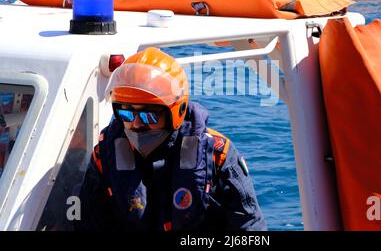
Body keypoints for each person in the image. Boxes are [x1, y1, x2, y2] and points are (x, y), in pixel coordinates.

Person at [76, 47, 266, 231]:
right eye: (126, 113)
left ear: (176, 112)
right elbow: (87, 223)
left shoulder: (218, 155)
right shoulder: (105, 156)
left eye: (147, 116)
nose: (135, 124)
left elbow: (250, 227)